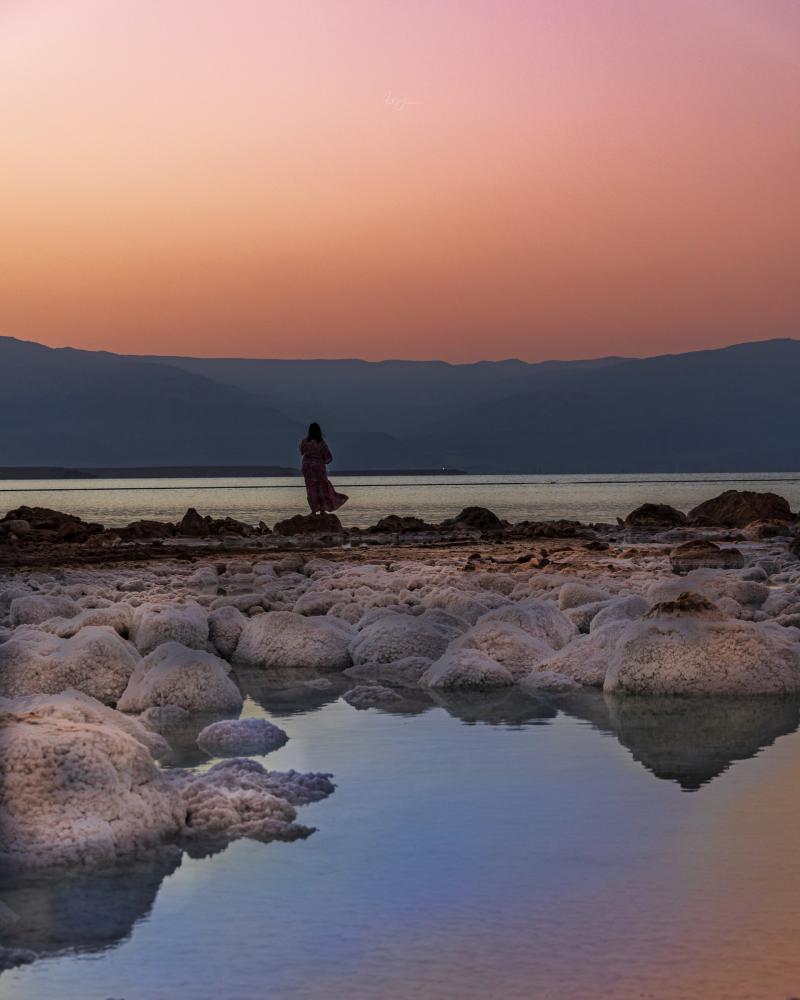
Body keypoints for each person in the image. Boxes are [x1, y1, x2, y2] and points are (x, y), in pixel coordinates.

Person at [300, 422, 349, 514]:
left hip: (307, 468)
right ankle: (322, 509)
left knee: (311, 489)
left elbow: (301, 451)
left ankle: (314, 510)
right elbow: (328, 458)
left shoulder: (304, 442)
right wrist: (321, 460)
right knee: (322, 488)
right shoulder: (321, 443)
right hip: (318, 468)